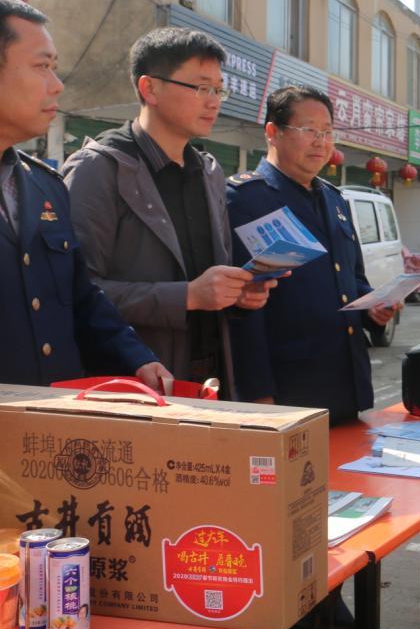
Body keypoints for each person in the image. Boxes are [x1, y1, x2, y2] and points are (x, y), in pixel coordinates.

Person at [62, 28, 273, 393]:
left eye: (219, 89)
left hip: (209, 379)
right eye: (201, 87)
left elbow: (207, 280)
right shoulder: (98, 169)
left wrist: (236, 296)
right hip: (135, 384)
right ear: (150, 89)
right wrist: (187, 296)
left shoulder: (208, 171)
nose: (214, 101)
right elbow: (75, 292)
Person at [0, 0, 169, 389]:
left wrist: (137, 358)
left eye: (55, 68)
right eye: (42, 66)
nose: (57, 85)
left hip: (48, 432)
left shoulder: (45, 185)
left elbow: (79, 295)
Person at [226, 85, 398, 420]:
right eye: (309, 131)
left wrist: (372, 308)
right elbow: (244, 311)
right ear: (272, 133)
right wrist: (259, 394)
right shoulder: (244, 199)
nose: (321, 142)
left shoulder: (335, 199)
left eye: (328, 132)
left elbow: (351, 279)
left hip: (345, 382)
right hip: (289, 391)